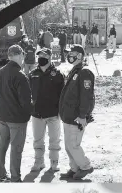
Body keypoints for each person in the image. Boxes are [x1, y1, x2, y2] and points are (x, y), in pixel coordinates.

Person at [0, 45, 33, 183]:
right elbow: (25, 102)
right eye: (22, 55)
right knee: (16, 149)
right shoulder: (20, 76)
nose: (23, 58)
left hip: (3, 116)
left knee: (2, 146)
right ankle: (15, 178)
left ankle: (0, 174)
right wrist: (30, 113)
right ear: (19, 55)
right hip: (17, 119)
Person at [58, 44, 95, 180]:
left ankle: (85, 166)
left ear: (79, 56)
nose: (69, 56)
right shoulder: (75, 70)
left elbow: (86, 96)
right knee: (68, 146)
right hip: (68, 115)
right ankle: (74, 169)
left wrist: (82, 115)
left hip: (76, 117)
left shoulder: (85, 72)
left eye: (72, 53)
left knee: (73, 145)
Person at [28, 48, 65, 171]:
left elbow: (63, 95)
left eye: (44, 56)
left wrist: (61, 111)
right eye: (39, 56)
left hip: (53, 114)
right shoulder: (32, 74)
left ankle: (54, 163)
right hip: (37, 114)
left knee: (54, 140)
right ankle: (39, 162)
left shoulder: (58, 74)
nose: (41, 58)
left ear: (50, 57)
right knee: (38, 140)